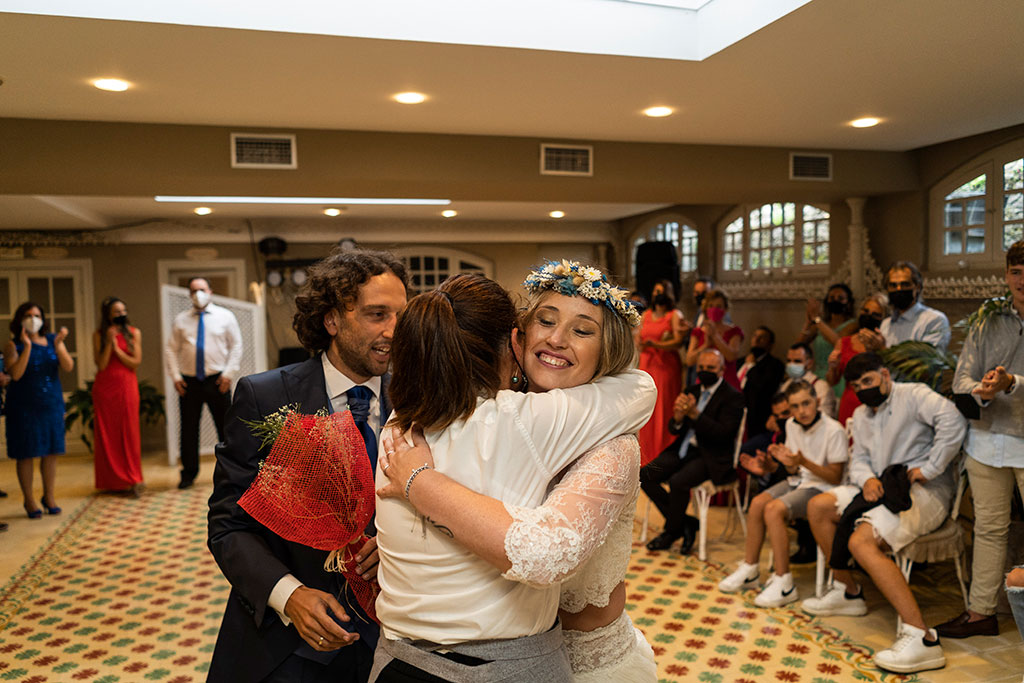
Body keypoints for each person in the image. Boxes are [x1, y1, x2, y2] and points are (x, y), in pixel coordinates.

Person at [376, 262, 657, 682]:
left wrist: (420, 484)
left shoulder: (402, 424)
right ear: (517, 338)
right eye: (545, 321)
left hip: (587, 663)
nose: (557, 339)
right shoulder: (520, 418)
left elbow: (546, 552)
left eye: (583, 331)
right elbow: (641, 389)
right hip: (513, 660)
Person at [207, 249, 408, 683]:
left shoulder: (420, 400)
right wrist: (290, 595)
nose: (394, 331)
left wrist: (401, 540)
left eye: (401, 316)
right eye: (377, 314)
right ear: (332, 320)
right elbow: (228, 526)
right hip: (286, 647)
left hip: (395, 642)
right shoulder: (265, 397)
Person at [800, 352, 966, 674]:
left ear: (885, 375)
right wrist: (868, 479)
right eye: (857, 385)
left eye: (869, 381)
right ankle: (847, 591)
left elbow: (953, 420)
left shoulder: (913, 395)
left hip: (921, 492)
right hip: (877, 487)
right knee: (817, 506)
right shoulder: (862, 416)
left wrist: (929, 469)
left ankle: (923, 637)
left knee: (861, 542)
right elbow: (859, 458)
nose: (863, 389)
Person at [935, 240, 1024, 640]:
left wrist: (1012, 383)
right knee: (989, 528)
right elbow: (961, 381)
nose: (1023, 280)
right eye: (1017, 272)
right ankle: (981, 612)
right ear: (1007, 275)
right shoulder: (987, 318)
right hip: (987, 439)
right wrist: (984, 391)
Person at [718, 380, 847, 607]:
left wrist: (802, 461)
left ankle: (784, 581)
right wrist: (779, 465)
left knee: (774, 509)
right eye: (795, 406)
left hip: (823, 487)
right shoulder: (791, 425)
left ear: (817, 402)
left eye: (806, 404)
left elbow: (836, 476)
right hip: (799, 481)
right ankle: (750, 569)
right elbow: (793, 469)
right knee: (758, 503)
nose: (801, 411)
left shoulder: (834, 430)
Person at [641, 348, 745, 553]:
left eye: (710, 368)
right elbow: (673, 428)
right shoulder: (692, 390)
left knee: (679, 482)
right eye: (701, 367)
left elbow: (723, 434)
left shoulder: (732, 397)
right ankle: (685, 523)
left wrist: (696, 415)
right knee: (644, 475)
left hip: (711, 456)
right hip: (683, 449)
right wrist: (679, 418)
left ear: (722, 369)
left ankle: (671, 532)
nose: (705, 371)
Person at [165, 277, 243, 489]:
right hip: (189, 382)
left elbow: (236, 346)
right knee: (188, 429)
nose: (197, 293)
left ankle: (231, 472)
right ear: (189, 294)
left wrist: (228, 374)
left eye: (201, 289)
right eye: (193, 290)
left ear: (209, 291)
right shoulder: (181, 320)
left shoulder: (225, 316)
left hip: (218, 381)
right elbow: (171, 349)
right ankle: (188, 474)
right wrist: (175, 376)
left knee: (226, 429)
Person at [3, 302, 74, 518]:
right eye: (28, 315)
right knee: (26, 453)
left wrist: (60, 344)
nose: (33, 318)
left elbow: (68, 366)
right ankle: (29, 500)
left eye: (37, 315)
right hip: (23, 405)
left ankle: (49, 496)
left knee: (51, 452)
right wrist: (28, 347)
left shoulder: (53, 340)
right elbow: (16, 374)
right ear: (19, 319)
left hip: (51, 402)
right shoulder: (12, 345)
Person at [92, 296, 144, 495]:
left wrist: (117, 350)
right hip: (105, 388)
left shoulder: (134, 333)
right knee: (108, 434)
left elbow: (135, 362)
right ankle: (112, 481)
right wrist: (109, 342)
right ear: (108, 315)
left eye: (123, 311)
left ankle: (132, 478)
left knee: (129, 432)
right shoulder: (99, 335)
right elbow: (102, 364)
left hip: (126, 385)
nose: (121, 314)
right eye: (117, 312)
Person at [636, 279, 688, 465]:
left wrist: (656, 344)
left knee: (663, 408)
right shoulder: (646, 315)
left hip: (666, 367)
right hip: (647, 364)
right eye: (655, 290)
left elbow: (678, 342)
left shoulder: (674, 315)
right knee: (647, 408)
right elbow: (639, 339)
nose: (657, 294)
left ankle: (663, 455)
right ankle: (645, 456)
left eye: (661, 291)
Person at [826, 293, 889, 426]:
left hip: (876, 403)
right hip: (849, 404)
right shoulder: (844, 342)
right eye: (865, 311)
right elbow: (832, 381)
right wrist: (833, 366)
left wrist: (880, 348)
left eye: (875, 314)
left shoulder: (886, 343)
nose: (868, 316)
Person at [860, 261, 951, 353]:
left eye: (905, 284)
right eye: (893, 285)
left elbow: (925, 362)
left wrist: (882, 348)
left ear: (918, 287)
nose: (899, 289)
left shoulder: (934, 320)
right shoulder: (886, 324)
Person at [799, 283, 856, 392]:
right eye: (831, 298)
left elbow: (838, 341)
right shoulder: (820, 324)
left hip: (838, 378)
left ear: (848, 303)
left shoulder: (853, 325)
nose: (835, 301)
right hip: (818, 376)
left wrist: (816, 319)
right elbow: (799, 346)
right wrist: (808, 322)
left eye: (840, 298)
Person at [685, 289, 743, 389]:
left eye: (719, 306)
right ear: (706, 308)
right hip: (704, 383)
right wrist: (705, 345)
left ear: (725, 309)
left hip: (727, 383)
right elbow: (689, 360)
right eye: (711, 306)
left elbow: (731, 356)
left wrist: (715, 336)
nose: (714, 309)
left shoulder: (734, 331)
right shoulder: (698, 332)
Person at [738, 326, 785, 437]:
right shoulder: (740, 361)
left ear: (770, 344)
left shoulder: (775, 365)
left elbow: (762, 387)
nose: (757, 340)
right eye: (755, 336)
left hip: (756, 416)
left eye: (762, 338)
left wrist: (751, 366)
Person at [779, 342, 836, 418]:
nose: (791, 365)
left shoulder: (821, 387)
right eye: (789, 361)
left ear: (809, 363)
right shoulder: (786, 384)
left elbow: (824, 417)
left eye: (797, 361)